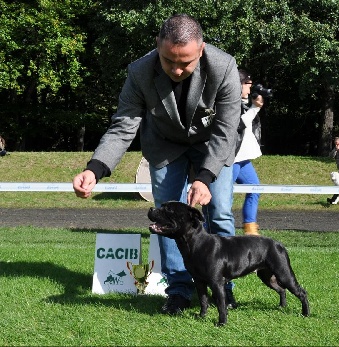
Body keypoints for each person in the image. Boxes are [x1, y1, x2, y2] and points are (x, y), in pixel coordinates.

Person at [72, 14, 242, 314]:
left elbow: (226, 130)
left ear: (200, 50)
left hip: (213, 147)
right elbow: (124, 125)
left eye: (185, 62)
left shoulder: (224, 66)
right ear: (157, 47)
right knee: (166, 217)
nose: (176, 69)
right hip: (165, 146)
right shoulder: (139, 71)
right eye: (168, 61)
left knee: (221, 213)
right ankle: (178, 288)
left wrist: (204, 177)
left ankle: (223, 286)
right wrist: (95, 168)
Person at [233, 70, 264, 235]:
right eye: (247, 84)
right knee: (223, 196)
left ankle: (250, 228)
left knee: (255, 188)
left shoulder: (245, 102)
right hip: (232, 158)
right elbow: (237, 124)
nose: (250, 88)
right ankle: (214, 227)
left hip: (243, 158)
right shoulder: (229, 101)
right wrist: (254, 108)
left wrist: (254, 105)